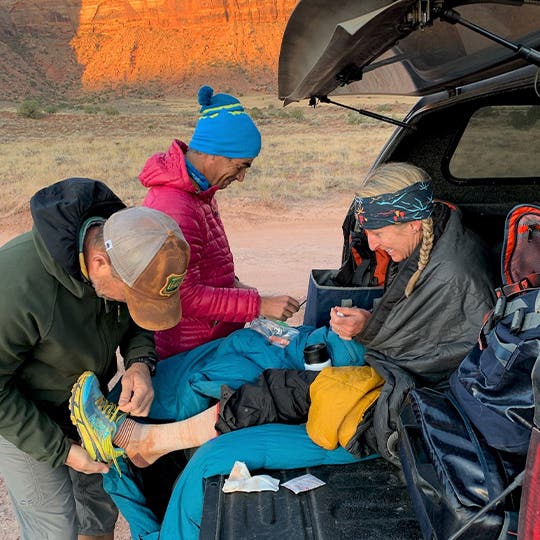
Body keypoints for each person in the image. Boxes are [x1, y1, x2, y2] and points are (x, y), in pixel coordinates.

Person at [71, 162, 497, 539]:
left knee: (228, 442)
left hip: (392, 412)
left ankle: (151, 441)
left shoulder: (453, 276)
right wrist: (370, 325)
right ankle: (144, 438)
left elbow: (436, 364)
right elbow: (415, 333)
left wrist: (371, 339)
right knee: (256, 352)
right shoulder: (431, 243)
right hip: (379, 375)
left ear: (411, 222)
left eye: (378, 232)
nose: (371, 244)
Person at [0, 177, 190, 540]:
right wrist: (62, 451)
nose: (133, 306)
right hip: (21, 413)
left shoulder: (129, 248)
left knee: (101, 503)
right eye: (131, 298)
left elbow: (138, 320)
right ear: (99, 263)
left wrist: (139, 363)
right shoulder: (16, 286)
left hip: (87, 405)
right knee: (53, 527)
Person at [139, 85, 300, 357]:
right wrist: (258, 304)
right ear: (213, 154)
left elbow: (205, 266)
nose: (241, 178)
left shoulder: (199, 194)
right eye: (240, 166)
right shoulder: (176, 207)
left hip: (207, 338)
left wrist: (236, 287)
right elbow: (183, 296)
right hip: (190, 349)